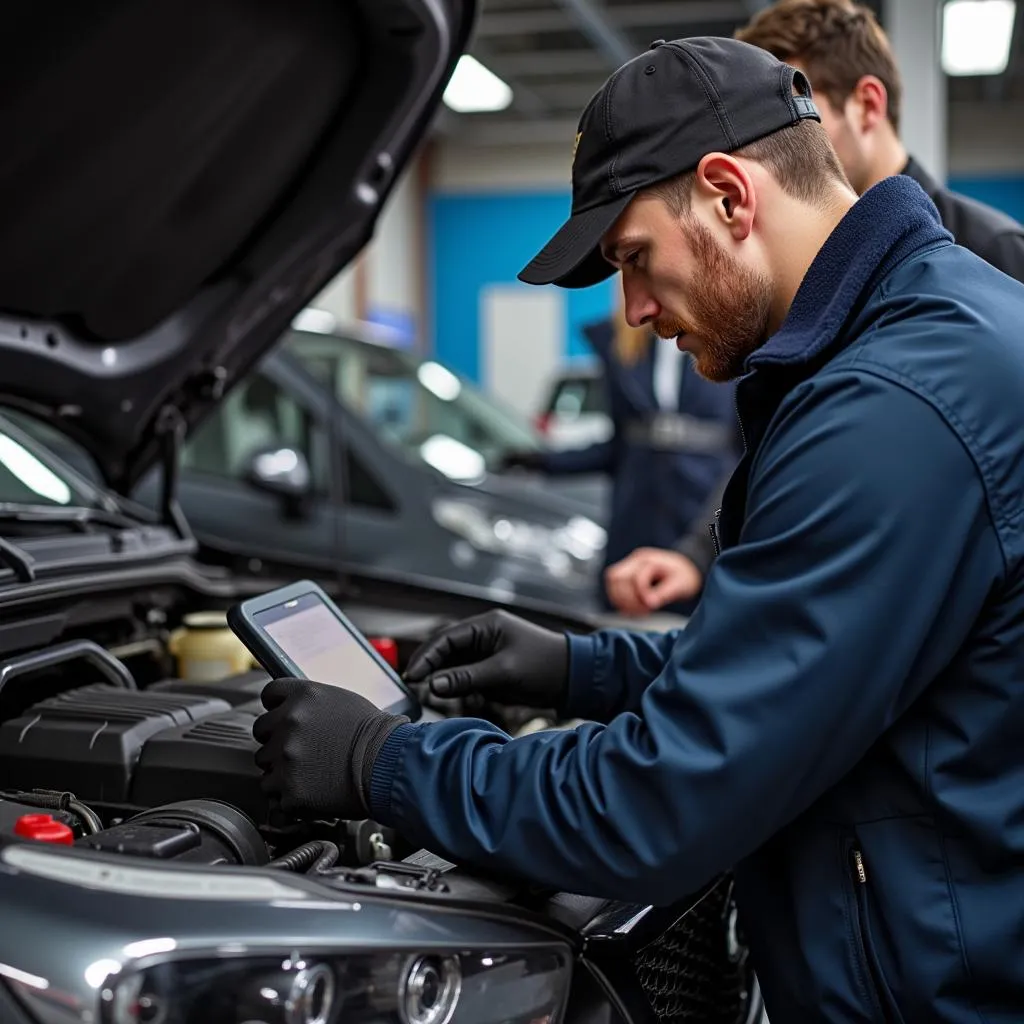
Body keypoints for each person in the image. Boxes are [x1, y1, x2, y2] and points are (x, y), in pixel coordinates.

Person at [253, 36, 1024, 1021]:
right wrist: (583, 669)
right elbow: (834, 668)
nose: (635, 307)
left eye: (633, 258)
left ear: (727, 194)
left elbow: (661, 805)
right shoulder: (930, 331)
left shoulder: (892, 410)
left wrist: (378, 763)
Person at [606, 0, 1024, 618]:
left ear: (868, 106)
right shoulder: (795, 282)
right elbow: (779, 445)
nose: (768, 143)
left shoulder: (989, 255)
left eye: (796, 112)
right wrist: (699, 553)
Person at [501, 300, 739, 614]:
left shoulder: (737, 341)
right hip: (635, 525)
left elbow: (745, 457)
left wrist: (700, 551)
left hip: (704, 522)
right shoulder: (621, 347)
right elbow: (619, 448)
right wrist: (543, 462)